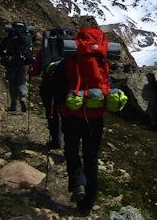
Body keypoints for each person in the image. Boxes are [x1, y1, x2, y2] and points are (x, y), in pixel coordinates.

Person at [50, 27, 111, 216]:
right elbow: (108, 87)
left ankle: (78, 183)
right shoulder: (102, 63)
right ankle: (87, 204)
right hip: (95, 118)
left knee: (71, 150)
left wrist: (61, 105)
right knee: (91, 156)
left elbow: (56, 88)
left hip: (71, 117)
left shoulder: (67, 62)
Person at [0, 22, 34, 112]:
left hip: (11, 63)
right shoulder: (27, 38)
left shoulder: (9, 38)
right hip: (23, 63)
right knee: (22, 82)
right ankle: (23, 97)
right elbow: (30, 51)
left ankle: (13, 104)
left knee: (12, 83)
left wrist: (5, 56)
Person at [28, 49, 62, 149]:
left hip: (48, 85)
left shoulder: (44, 50)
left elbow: (36, 71)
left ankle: (56, 141)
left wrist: (30, 72)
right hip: (68, 88)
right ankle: (70, 143)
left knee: (52, 113)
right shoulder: (72, 49)